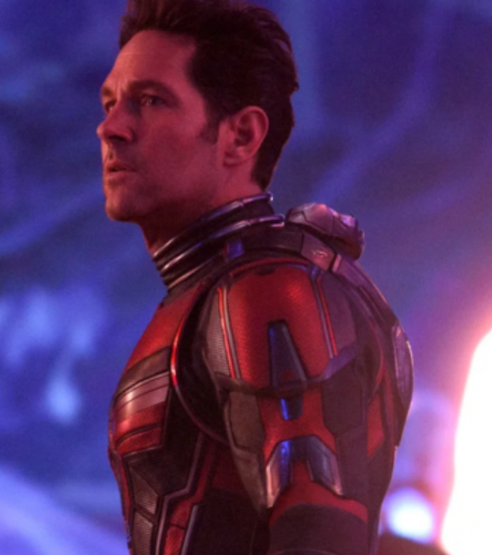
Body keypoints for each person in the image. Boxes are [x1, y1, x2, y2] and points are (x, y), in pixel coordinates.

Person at [97, 1, 413, 554]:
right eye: (110, 103)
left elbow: (319, 539)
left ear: (241, 136)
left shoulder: (267, 292)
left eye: (150, 101)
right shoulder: (226, 288)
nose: (111, 127)